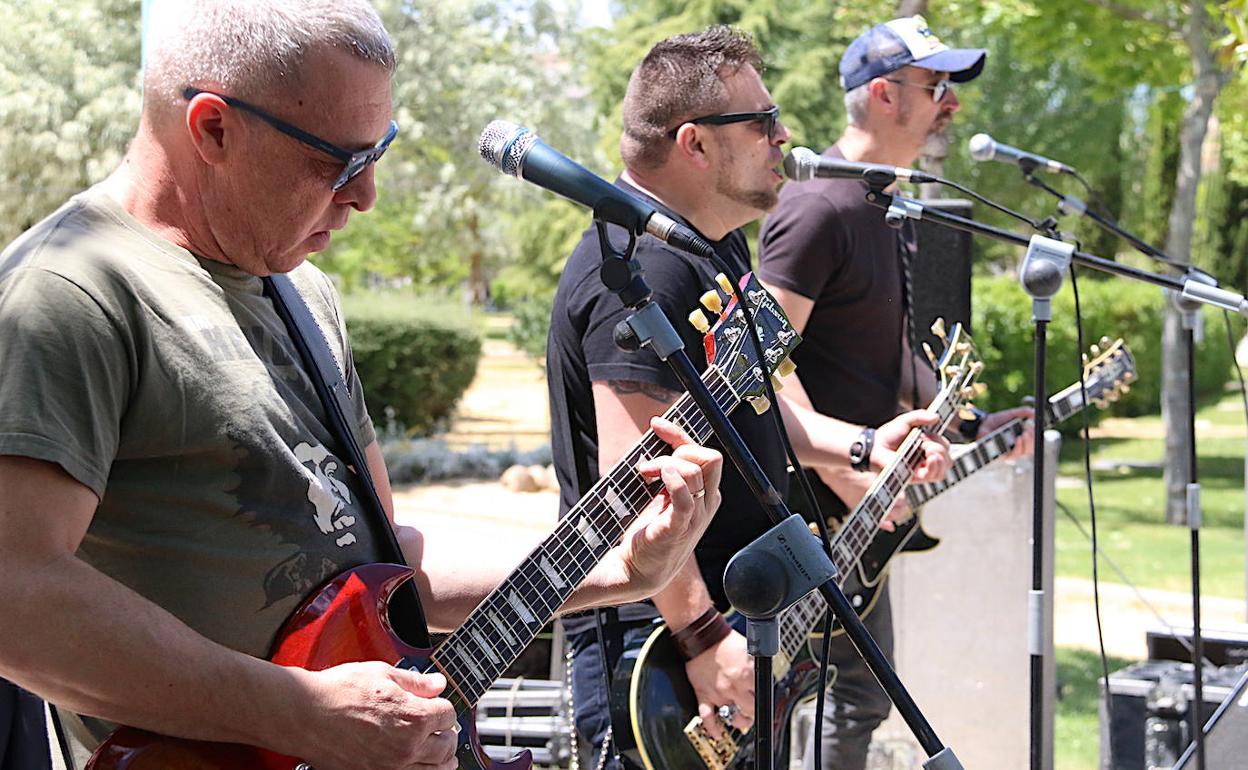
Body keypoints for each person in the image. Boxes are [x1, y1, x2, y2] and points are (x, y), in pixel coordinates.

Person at [0, 3, 727, 770]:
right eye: (338, 161)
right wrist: (295, 713)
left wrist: (618, 569)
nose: (366, 195)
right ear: (213, 129)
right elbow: (14, 591)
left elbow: (381, 561)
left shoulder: (305, 294)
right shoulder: (69, 291)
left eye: (379, 150)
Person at [545, 26, 953, 769]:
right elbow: (635, 487)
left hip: (735, 626)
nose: (784, 134)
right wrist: (702, 639)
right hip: (661, 653)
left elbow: (752, 409)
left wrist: (862, 447)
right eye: (762, 121)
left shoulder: (714, 247)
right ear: (695, 144)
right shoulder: (639, 271)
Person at [757, 15, 1035, 770]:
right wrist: (841, 465)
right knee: (825, 698)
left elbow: (887, 353)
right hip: (817, 512)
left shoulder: (888, 207)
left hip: (863, 511)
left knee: (857, 696)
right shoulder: (818, 209)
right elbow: (757, 362)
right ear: (883, 94)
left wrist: (975, 423)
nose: (952, 103)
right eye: (936, 86)